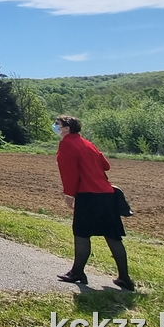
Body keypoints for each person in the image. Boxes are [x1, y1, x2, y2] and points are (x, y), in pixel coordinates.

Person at [54, 115, 134, 290]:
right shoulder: (88, 143)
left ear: (66, 128)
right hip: (106, 194)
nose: (55, 127)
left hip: (87, 194)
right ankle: (125, 278)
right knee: (112, 235)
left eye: (57, 124)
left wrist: (69, 194)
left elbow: (69, 172)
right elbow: (106, 166)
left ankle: (77, 272)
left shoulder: (67, 144)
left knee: (82, 233)